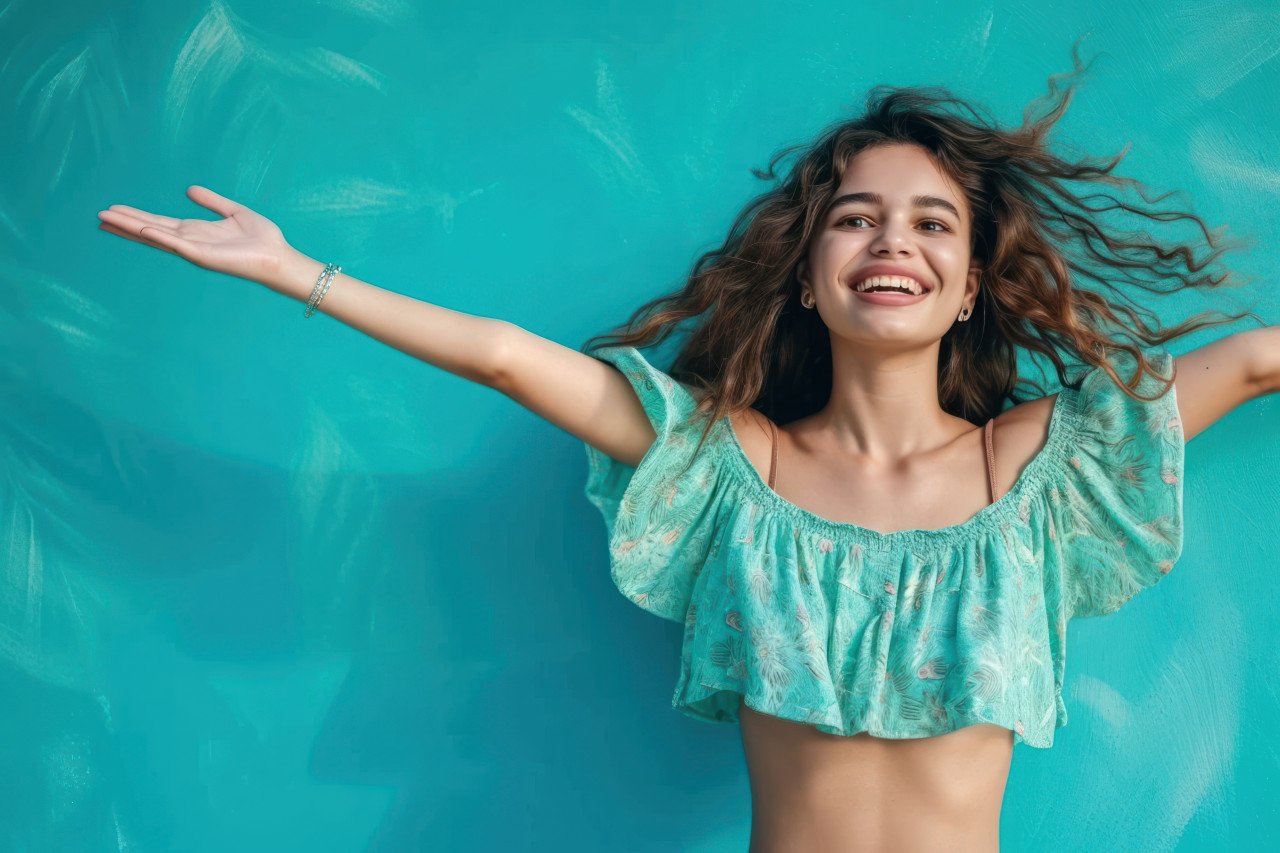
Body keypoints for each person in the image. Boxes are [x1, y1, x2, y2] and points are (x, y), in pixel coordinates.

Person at [96, 48, 1275, 852]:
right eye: (854, 217)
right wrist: (299, 270)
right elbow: (508, 358)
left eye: (929, 224)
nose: (889, 241)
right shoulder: (727, 466)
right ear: (810, 273)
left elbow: (1259, 358)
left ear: (969, 286)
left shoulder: (1031, 467)